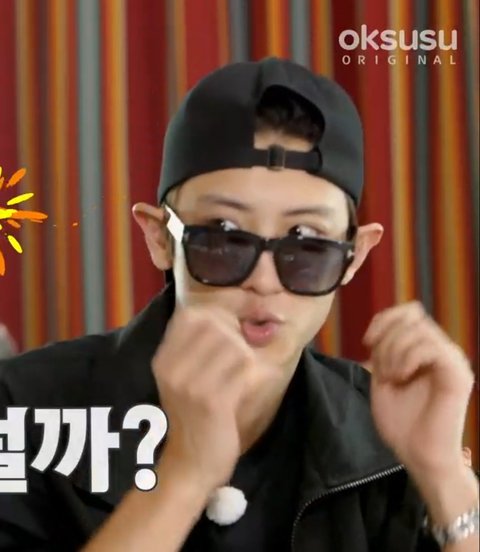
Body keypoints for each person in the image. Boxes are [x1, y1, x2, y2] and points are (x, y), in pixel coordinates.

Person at [0, 57, 478, 552]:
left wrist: (444, 478)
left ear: (354, 256)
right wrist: (183, 478)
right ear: (160, 237)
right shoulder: (23, 409)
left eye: (307, 243)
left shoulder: (385, 435)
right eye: (224, 236)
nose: (263, 281)